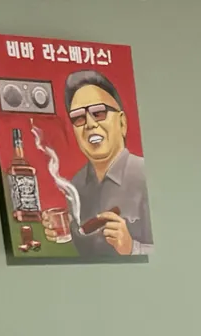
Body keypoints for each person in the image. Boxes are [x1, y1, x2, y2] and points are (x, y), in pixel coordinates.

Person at [61, 70, 151, 258]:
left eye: (99, 112)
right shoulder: (75, 186)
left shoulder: (144, 176)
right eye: (78, 117)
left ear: (122, 123)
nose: (90, 124)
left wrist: (131, 248)